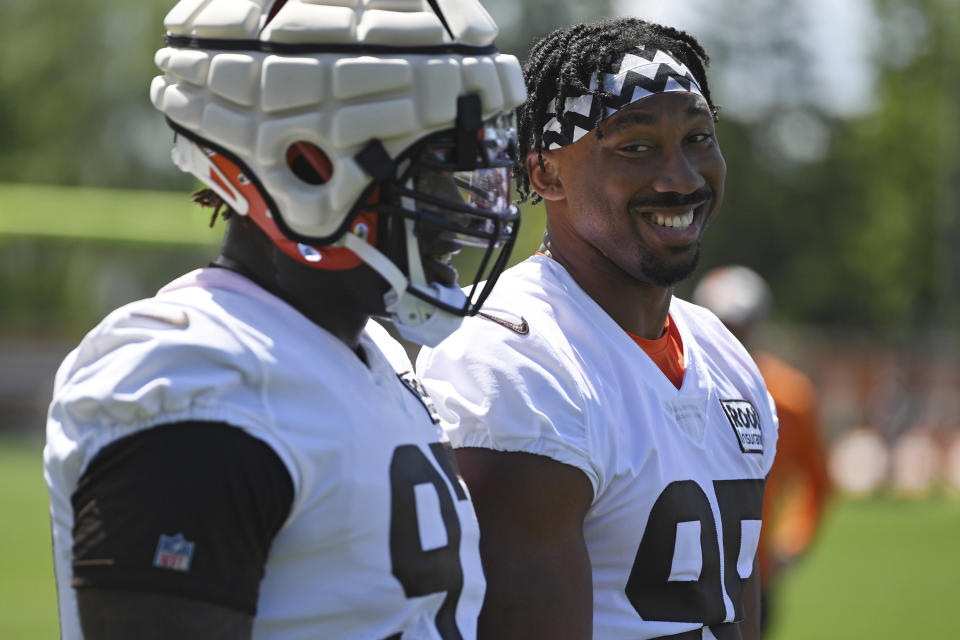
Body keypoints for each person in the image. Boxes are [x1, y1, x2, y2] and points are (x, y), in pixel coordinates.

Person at [43, 0, 526, 638]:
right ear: (306, 169)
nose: (460, 211)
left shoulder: (364, 351)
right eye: (431, 171)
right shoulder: (201, 382)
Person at [417, 18, 779, 640]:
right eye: (636, 148)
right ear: (546, 174)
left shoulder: (722, 352)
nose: (683, 177)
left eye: (698, 139)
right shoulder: (514, 359)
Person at [692, 265, 832, 637]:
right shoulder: (674, 385)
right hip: (677, 568)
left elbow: (819, 480)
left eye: (744, 322)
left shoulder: (789, 397)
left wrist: (794, 539)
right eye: (726, 321)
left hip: (752, 572)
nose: (736, 333)